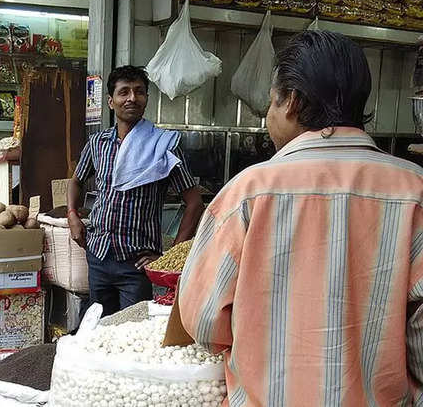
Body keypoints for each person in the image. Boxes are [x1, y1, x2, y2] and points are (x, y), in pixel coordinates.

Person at [176, 31, 423, 405]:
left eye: (270, 105)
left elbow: (206, 322)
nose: (269, 118)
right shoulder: (415, 190)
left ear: (290, 101)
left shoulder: (248, 193)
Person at [68, 66, 204, 316]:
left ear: (146, 100)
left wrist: (168, 257)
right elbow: (76, 180)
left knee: (131, 333)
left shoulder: (162, 146)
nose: (132, 98)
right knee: (97, 330)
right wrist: (72, 215)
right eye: (124, 92)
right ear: (111, 101)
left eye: (139, 92)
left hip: (137, 263)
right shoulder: (98, 143)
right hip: (98, 254)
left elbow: (194, 202)